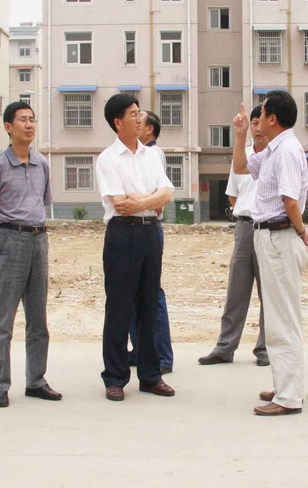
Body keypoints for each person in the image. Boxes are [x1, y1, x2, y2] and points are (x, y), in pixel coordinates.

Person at [231, 93, 308, 416]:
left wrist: (300, 230)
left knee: (282, 319)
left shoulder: (287, 151)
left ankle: (289, 396)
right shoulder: (274, 150)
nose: (258, 121)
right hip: (271, 236)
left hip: (279, 236)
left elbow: (290, 201)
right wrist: (240, 135)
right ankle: (286, 386)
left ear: (273, 119)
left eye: (262, 114)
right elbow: (241, 166)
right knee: (280, 317)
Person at [0, 101, 61, 408]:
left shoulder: (41, 163)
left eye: (32, 119)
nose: (29, 125)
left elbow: (42, 202)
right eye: (23, 120)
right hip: (10, 240)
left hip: (39, 240)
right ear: (8, 127)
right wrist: (3, 237)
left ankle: (36, 381)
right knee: (4, 320)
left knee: (38, 318)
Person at [97, 93, 175, 402]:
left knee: (149, 306)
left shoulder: (151, 155)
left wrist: (141, 201)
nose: (139, 118)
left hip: (150, 234)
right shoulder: (108, 159)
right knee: (119, 307)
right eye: (133, 114)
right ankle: (115, 377)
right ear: (118, 123)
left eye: (139, 113)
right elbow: (120, 204)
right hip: (122, 234)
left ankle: (150, 376)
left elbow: (166, 194)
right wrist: (151, 200)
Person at [199, 106, 269, 366]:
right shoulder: (243, 155)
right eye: (254, 122)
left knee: (269, 293)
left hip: (270, 229)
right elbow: (232, 195)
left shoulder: (278, 155)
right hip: (244, 228)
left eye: (261, 122)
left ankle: (265, 349)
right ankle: (225, 347)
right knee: (236, 290)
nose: (257, 128)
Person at [127, 110, 174, 374]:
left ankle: (162, 357)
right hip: (135, 226)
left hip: (149, 226)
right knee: (134, 293)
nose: (135, 121)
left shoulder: (153, 154)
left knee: (152, 294)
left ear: (149, 130)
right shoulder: (134, 154)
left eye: (140, 119)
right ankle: (141, 351)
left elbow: (158, 199)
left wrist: (135, 202)